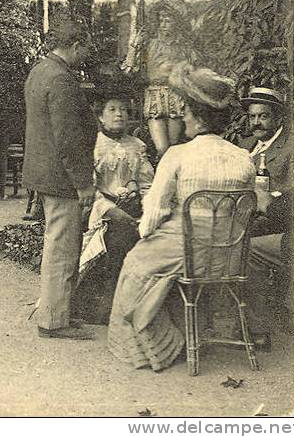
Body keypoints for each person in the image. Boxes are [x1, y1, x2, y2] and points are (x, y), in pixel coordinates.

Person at [107, 64, 255, 372]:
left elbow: (154, 215)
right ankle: (190, 330)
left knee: (135, 262)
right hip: (228, 255)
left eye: (186, 110)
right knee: (160, 254)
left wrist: (145, 231)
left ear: (199, 116)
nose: (183, 116)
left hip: (188, 250)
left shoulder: (178, 155)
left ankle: (156, 347)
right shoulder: (244, 157)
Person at [23, 19, 97, 340]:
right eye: (86, 48)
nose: (87, 54)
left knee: (57, 243)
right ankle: (53, 322)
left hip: (43, 172)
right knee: (63, 248)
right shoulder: (63, 80)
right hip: (61, 177)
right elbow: (68, 139)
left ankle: (56, 312)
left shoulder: (39, 71)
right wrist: (83, 183)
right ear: (76, 45)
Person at [72, 88, 155, 324]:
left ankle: (137, 307)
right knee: (119, 238)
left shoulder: (137, 145)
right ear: (100, 116)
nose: (119, 114)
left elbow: (148, 183)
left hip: (132, 208)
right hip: (101, 210)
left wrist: (145, 204)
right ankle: (103, 307)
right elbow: (89, 188)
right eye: (112, 109)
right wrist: (110, 209)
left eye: (123, 110)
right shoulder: (94, 145)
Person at [238, 86, 293, 331]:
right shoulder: (246, 145)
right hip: (244, 210)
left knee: (240, 239)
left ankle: (254, 322)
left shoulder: (292, 147)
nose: (257, 122)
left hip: (275, 218)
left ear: (278, 117)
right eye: (252, 117)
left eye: (263, 116)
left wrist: (266, 200)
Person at [135, 0, 201, 157]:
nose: (163, 24)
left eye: (168, 20)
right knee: (162, 148)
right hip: (155, 95)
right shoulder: (150, 44)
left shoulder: (184, 47)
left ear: (176, 22)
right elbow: (133, 67)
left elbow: (194, 69)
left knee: (173, 147)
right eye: (161, 20)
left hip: (175, 95)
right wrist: (135, 46)